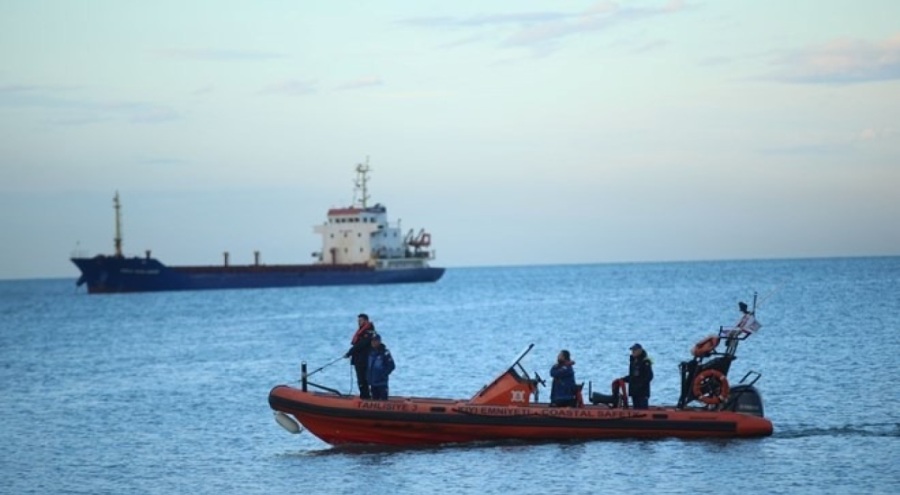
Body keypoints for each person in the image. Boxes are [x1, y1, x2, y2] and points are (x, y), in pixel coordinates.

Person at [345, 313, 377, 399]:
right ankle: (364, 396)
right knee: (361, 380)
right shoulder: (362, 331)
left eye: (360, 320)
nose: (358, 322)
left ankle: (366, 397)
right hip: (359, 359)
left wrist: (350, 352)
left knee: (363, 380)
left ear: (366, 321)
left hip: (364, 360)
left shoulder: (368, 331)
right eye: (358, 321)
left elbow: (361, 344)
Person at [622, 343, 653, 409]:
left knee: (642, 408)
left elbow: (649, 376)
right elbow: (632, 376)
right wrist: (623, 379)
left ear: (640, 350)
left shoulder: (645, 362)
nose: (633, 352)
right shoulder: (633, 362)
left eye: (635, 350)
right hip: (634, 392)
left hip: (642, 392)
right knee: (636, 408)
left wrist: (641, 385)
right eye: (632, 350)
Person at [366, 334, 395, 400]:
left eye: (375, 341)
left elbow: (392, 366)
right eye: (372, 341)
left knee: (383, 401)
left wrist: (383, 375)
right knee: (374, 400)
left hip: (382, 383)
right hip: (373, 383)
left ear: (379, 341)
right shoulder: (370, 352)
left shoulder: (385, 352)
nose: (373, 342)